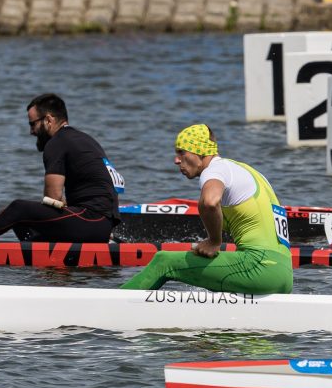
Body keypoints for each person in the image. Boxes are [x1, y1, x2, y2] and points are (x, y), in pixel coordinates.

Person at [0, 93, 122, 242]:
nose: (31, 131)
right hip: (100, 225)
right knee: (20, 216)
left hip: (91, 224)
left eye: (32, 124)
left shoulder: (58, 143)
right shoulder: (85, 139)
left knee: (18, 208)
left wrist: (17, 214)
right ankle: (38, 255)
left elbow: (52, 197)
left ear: (49, 120)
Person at [120, 124, 292, 293]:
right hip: (284, 273)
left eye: (181, 152)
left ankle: (113, 303)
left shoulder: (215, 170)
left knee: (164, 261)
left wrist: (214, 241)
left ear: (199, 151)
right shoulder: (249, 172)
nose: (176, 160)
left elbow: (209, 202)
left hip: (260, 268)